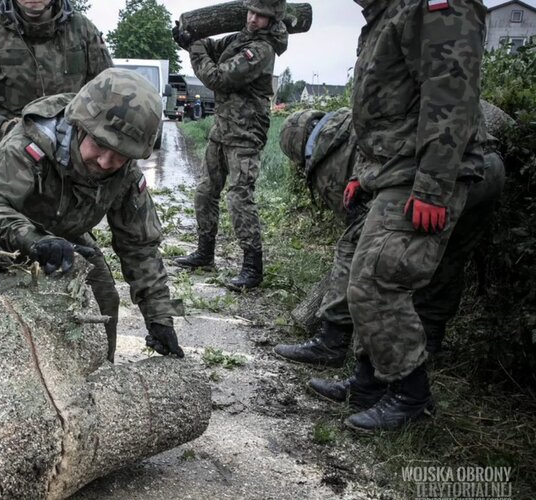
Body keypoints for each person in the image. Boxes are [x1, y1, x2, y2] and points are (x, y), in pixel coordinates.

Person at [0, 68, 185, 362]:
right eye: (100, 144)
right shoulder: (29, 144)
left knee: (103, 296)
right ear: (80, 125)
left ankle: (94, 376)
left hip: (60, 235)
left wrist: (160, 317)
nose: (107, 161)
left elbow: (140, 246)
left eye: (120, 154)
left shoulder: (125, 175)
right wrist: (33, 240)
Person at [308, 0, 487, 432]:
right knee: (362, 267)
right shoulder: (388, 13)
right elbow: (389, 109)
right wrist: (366, 175)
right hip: (395, 170)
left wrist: (432, 185)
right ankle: (368, 382)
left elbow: (450, 92)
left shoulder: (432, 6)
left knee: (377, 278)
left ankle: (412, 396)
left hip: (423, 174)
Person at [273, 107, 504, 368]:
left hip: (436, 178)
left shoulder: (328, 160)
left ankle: (332, 340)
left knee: (355, 246)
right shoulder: (349, 119)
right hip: (487, 167)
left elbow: (357, 224)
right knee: (448, 259)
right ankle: (429, 345)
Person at [172, 0, 288, 290]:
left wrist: (194, 49)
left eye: (260, 16)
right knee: (206, 190)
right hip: (222, 128)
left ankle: (252, 268)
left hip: (246, 132)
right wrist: (191, 41)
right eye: (250, 12)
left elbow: (219, 78)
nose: (252, 19)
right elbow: (211, 49)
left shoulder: (261, 49)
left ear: (272, 20)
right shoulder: (240, 38)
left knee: (239, 197)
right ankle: (204, 252)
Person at [0, 0, 112, 164]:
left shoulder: (82, 30)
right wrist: (4, 128)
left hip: (69, 164)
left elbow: (107, 96)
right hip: (3, 162)